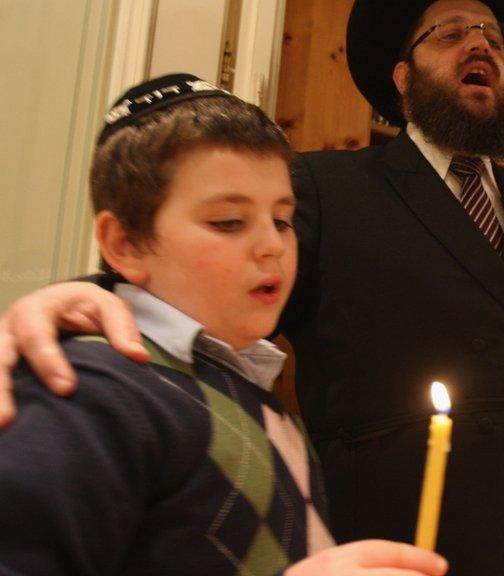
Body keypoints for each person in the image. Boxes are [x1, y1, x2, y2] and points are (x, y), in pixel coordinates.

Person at [0, 1, 504, 574]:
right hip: (403, 543)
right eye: (452, 32)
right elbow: (202, 296)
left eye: (493, 34)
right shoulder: (326, 189)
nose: (481, 44)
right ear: (402, 75)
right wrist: (77, 305)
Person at [0, 74, 447, 576]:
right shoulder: (87, 390)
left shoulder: (263, 405)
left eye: (282, 220)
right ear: (123, 243)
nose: (272, 245)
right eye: (229, 222)